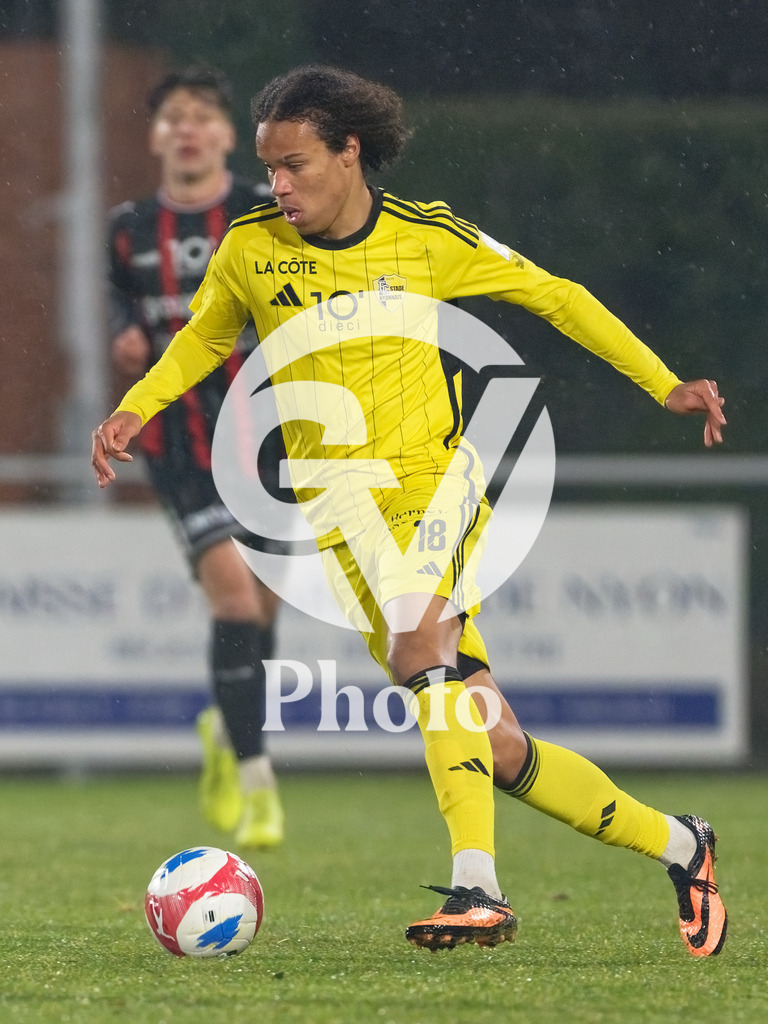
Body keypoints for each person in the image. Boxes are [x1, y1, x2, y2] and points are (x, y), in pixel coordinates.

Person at [93, 65, 728, 956]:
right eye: (270, 168)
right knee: (495, 742)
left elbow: (559, 296)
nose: (278, 185)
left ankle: (480, 890)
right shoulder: (250, 246)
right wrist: (138, 405)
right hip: (340, 517)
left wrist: (665, 385)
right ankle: (682, 844)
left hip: (436, 483)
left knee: (419, 647)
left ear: (351, 153)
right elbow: (204, 331)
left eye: (297, 165)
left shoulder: (429, 237)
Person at [106, 67, 285, 848]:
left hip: (270, 434)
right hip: (178, 441)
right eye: (172, 117)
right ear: (155, 138)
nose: (186, 128)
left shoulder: (260, 210)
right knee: (237, 603)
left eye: (201, 117)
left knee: (268, 607)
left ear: (223, 136)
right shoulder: (127, 227)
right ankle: (259, 786)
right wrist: (127, 332)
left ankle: (228, 724)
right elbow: (124, 301)